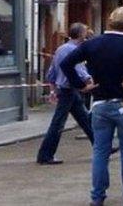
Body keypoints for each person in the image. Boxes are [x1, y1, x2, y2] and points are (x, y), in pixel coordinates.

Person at [60, 7, 123, 206]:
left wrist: (82, 85)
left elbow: (66, 63)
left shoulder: (93, 44)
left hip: (100, 105)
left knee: (100, 152)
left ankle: (97, 198)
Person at [36, 23, 95, 165]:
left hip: (65, 89)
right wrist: (88, 81)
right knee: (58, 123)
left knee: (85, 119)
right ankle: (45, 155)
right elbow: (79, 69)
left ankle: (103, 147)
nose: (86, 35)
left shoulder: (61, 48)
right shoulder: (73, 50)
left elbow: (52, 71)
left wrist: (52, 88)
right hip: (68, 89)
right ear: (81, 34)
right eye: (85, 33)